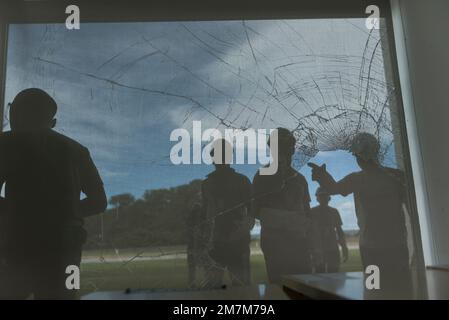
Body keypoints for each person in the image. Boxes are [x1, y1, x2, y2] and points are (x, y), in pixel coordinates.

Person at [0, 88, 107, 299]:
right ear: (53, 122)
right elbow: (99, 202)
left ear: (14, 113)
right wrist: (63, 213)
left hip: (16, 245)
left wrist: (19, 211)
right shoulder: (77, 150)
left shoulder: (6, 143)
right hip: (66, 248)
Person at [308, 132, 410, 276]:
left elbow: (333, 188)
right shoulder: (396, 177)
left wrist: (321, 176)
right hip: (396, 245)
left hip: (371, 247)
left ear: (360, 157)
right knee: (402, 288)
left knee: (374, 288)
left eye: (355, 156)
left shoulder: (358, 179)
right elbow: (413, 212)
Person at [252, 128, 312, 284]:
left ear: (292, 150)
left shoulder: (300, 179)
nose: (284, 151)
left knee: (302, 285)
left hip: (299, 242)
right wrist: (286, 220)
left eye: (287, 147)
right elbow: (255, 210)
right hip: (274, 243)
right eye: (278, 147)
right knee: (278, 287)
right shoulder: (262, 176)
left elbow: (307, 212)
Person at [201, 139, 253, 288]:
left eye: (223, 155)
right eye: (216, 155)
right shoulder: (207, 184)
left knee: (241, 286)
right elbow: (206, 214)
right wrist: (206, 240)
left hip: (238, 242)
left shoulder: (242, 181)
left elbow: (252, 211)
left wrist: (241, 230)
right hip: (215, 242)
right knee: (213, 286)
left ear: (229, 157)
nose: (219, 159)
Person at [310, 187, 348, 273]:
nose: (323, 198)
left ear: (329, 198)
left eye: (325, 196)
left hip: (332, 248)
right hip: (318, 249)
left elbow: (339, 231)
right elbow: (309, 232)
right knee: (319, 275)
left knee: (334, 274)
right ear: (317, 198)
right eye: (321, 196)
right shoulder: (312, 212)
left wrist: (344, 247)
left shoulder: (334, 212)